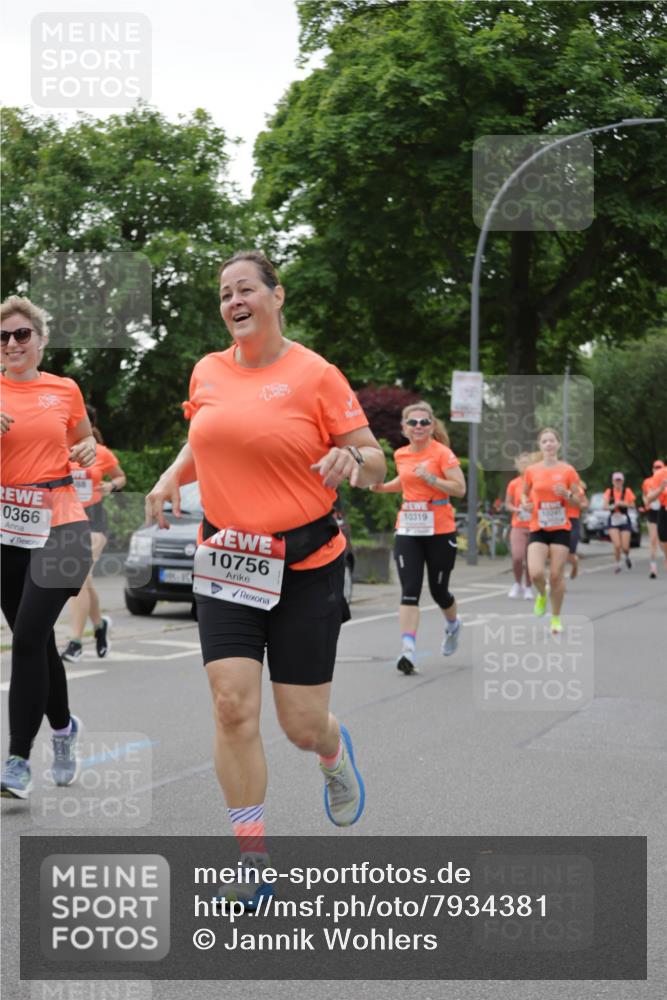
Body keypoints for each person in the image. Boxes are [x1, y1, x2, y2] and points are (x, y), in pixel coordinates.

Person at [145, 251, 385, 906]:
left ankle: (334, 753)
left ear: (276, 297)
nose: (233, 300)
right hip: (226, 560)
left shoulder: (315, 374)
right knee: (231, 707)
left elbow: (373, 458)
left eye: (245, 288)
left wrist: (350, 456)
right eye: (224, 293)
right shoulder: (208, 370)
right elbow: (204, 435)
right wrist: (171, 477)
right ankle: (252, 860)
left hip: (306, 565)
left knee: (300, 726)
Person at [1, 296, 95, 799]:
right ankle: (63, 730)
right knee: (34, 641)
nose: (12, 344)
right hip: (6, 531)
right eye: (3, 337)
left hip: (62, 524)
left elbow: (85, 442)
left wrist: (89, 449)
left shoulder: (64, 389)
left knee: (29, 636)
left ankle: (17, 760)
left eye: (21, 335)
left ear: (38, 340)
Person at [371, 402, 466, 674]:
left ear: (432, 426)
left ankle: (453, 625)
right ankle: (408, 651)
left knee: (439, 591)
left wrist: (433, 480)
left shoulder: (442, 454)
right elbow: (405, 481)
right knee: (409, 591)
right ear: (404, 428)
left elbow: (460, 489)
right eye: (413, 423)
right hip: (409, 529)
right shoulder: (401, 455)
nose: (419, 427)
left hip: (440, 529)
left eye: (424, 422)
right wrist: (381, 487)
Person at [61, 404, 127, 661]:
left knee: (78, 578)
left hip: (94, 520)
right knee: (83, 580)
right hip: (66, 521)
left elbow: (120, 477)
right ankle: (100, 626)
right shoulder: (59, 451)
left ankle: (75, 642)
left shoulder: (101, 452)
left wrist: (110, 486)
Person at [521, 427, 582, 635]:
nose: (548, 444)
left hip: (560, 528)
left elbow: (579, 501)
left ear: (558, 444)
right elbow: (523, 494)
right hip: (538, 527)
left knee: (556, 575)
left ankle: (555, 618)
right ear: (540, 446)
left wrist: (565, 493)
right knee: (535, 571)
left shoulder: (568, 470)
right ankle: (541, 594)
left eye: (552, 441)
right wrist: (525, 504)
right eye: (544, 441)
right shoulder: (532, 470)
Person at [504, 453, 533, 599]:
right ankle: (517, 583)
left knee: (531, 559)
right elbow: (507, 503)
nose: (525, 466)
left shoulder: (537, 482)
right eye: (522, 463)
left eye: (527, 463)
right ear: (517, 466)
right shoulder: (514, 483)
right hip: (518, 525)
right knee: (517, 556)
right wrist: (516, 509)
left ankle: (528, 586)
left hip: (534, 526)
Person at [603, 473, 636, 573]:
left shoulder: (627, 491)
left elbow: (633, 505)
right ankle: (617, 565)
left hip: (624, 520)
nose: (618, 482)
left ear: (622, 481)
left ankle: (626, 556)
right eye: (616, 480)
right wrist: (613, 506)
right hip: (613, 520)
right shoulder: (609, 492)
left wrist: (622, 503)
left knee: (625, 546)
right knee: (617, 545)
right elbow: (604, 506)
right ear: (613, 482)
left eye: (619, 480)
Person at [642, 460, 664, 578]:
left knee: (663, 542)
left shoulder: (665, 480)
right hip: (652, 513)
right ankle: (653, 567)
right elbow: (645, 496)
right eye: (655, 467)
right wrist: (647, 502)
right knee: (653, 540)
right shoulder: (648, 482)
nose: (657, 469)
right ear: (652, 469)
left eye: (659, 467)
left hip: (663, 511)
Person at [566, 477, 588, 580]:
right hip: (558, 522)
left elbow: (585, 504)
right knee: (558, 553)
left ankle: (575, 564)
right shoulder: (557, 488)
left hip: (573, 522)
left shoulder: (578, 489)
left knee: (570, 554)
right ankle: (559, 582)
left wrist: (577, 504)